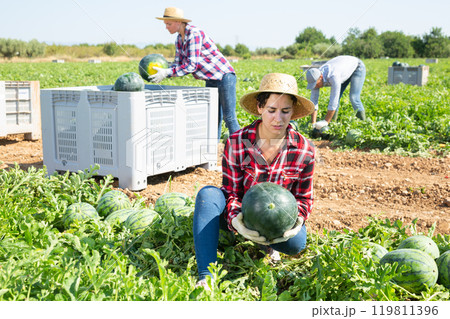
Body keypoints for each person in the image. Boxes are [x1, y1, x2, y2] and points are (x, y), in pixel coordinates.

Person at [192, 73, 316, 290]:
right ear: (260, 108)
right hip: (241, 211)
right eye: (272, 110)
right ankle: (206, 275)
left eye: (286, 111)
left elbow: (304, 198)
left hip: (278, 222)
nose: (278, 119)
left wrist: (296, 221)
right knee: (208, 195)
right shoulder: (237, 142)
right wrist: (236, 221)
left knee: (297, 243)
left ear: (293, 112)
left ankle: (268, 245)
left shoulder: (305, 150)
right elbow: (230, 190)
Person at [152, 7, 240, 139]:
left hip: (224, 77)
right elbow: (178, 64)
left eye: (168, 24)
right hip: (210, 79)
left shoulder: (194, 34)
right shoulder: (179, 40)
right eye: (165, 24)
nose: (166, 27)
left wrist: (167, 72)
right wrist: (164, 69)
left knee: (229, 117)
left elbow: (191, 66)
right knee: (213, 117)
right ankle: (212, 151)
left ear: (178, 22)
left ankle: (241, 151)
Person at [306, 55, 366, 131]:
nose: (315, 86)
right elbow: (314, 101)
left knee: (354, 98)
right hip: (343, 69)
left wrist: (326, 121)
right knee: (336, 100)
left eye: (316, 84)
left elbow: (333, 100)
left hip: (357, 67)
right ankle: (333, 125)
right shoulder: (315, 77)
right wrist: (313, 123)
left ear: (321, 77)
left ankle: (364, 124)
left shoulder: (333, 76)